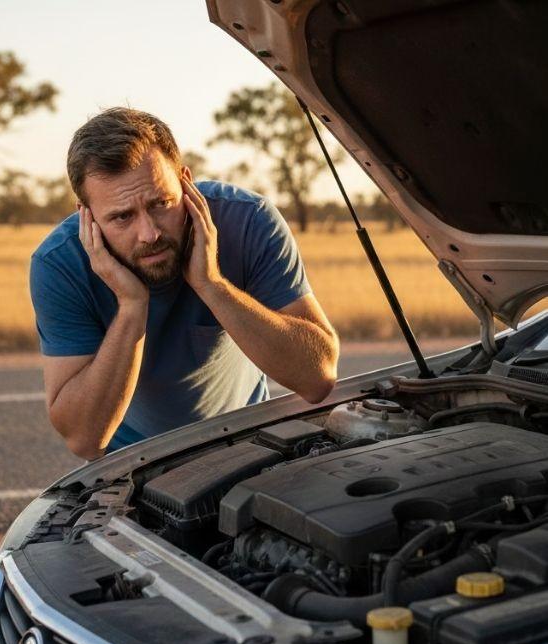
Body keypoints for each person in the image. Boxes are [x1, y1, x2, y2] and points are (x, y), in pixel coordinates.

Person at [30, 107, 339, 460]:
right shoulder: (59, 264)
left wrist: (212, 285)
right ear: (87, 216)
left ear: (185, 181)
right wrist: (132, 308)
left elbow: (318, 378)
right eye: (122, 217)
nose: (149, 233)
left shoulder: (248, 221)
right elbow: (85, 439)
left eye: (161, 203)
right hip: (131, 459)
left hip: (246, 440)